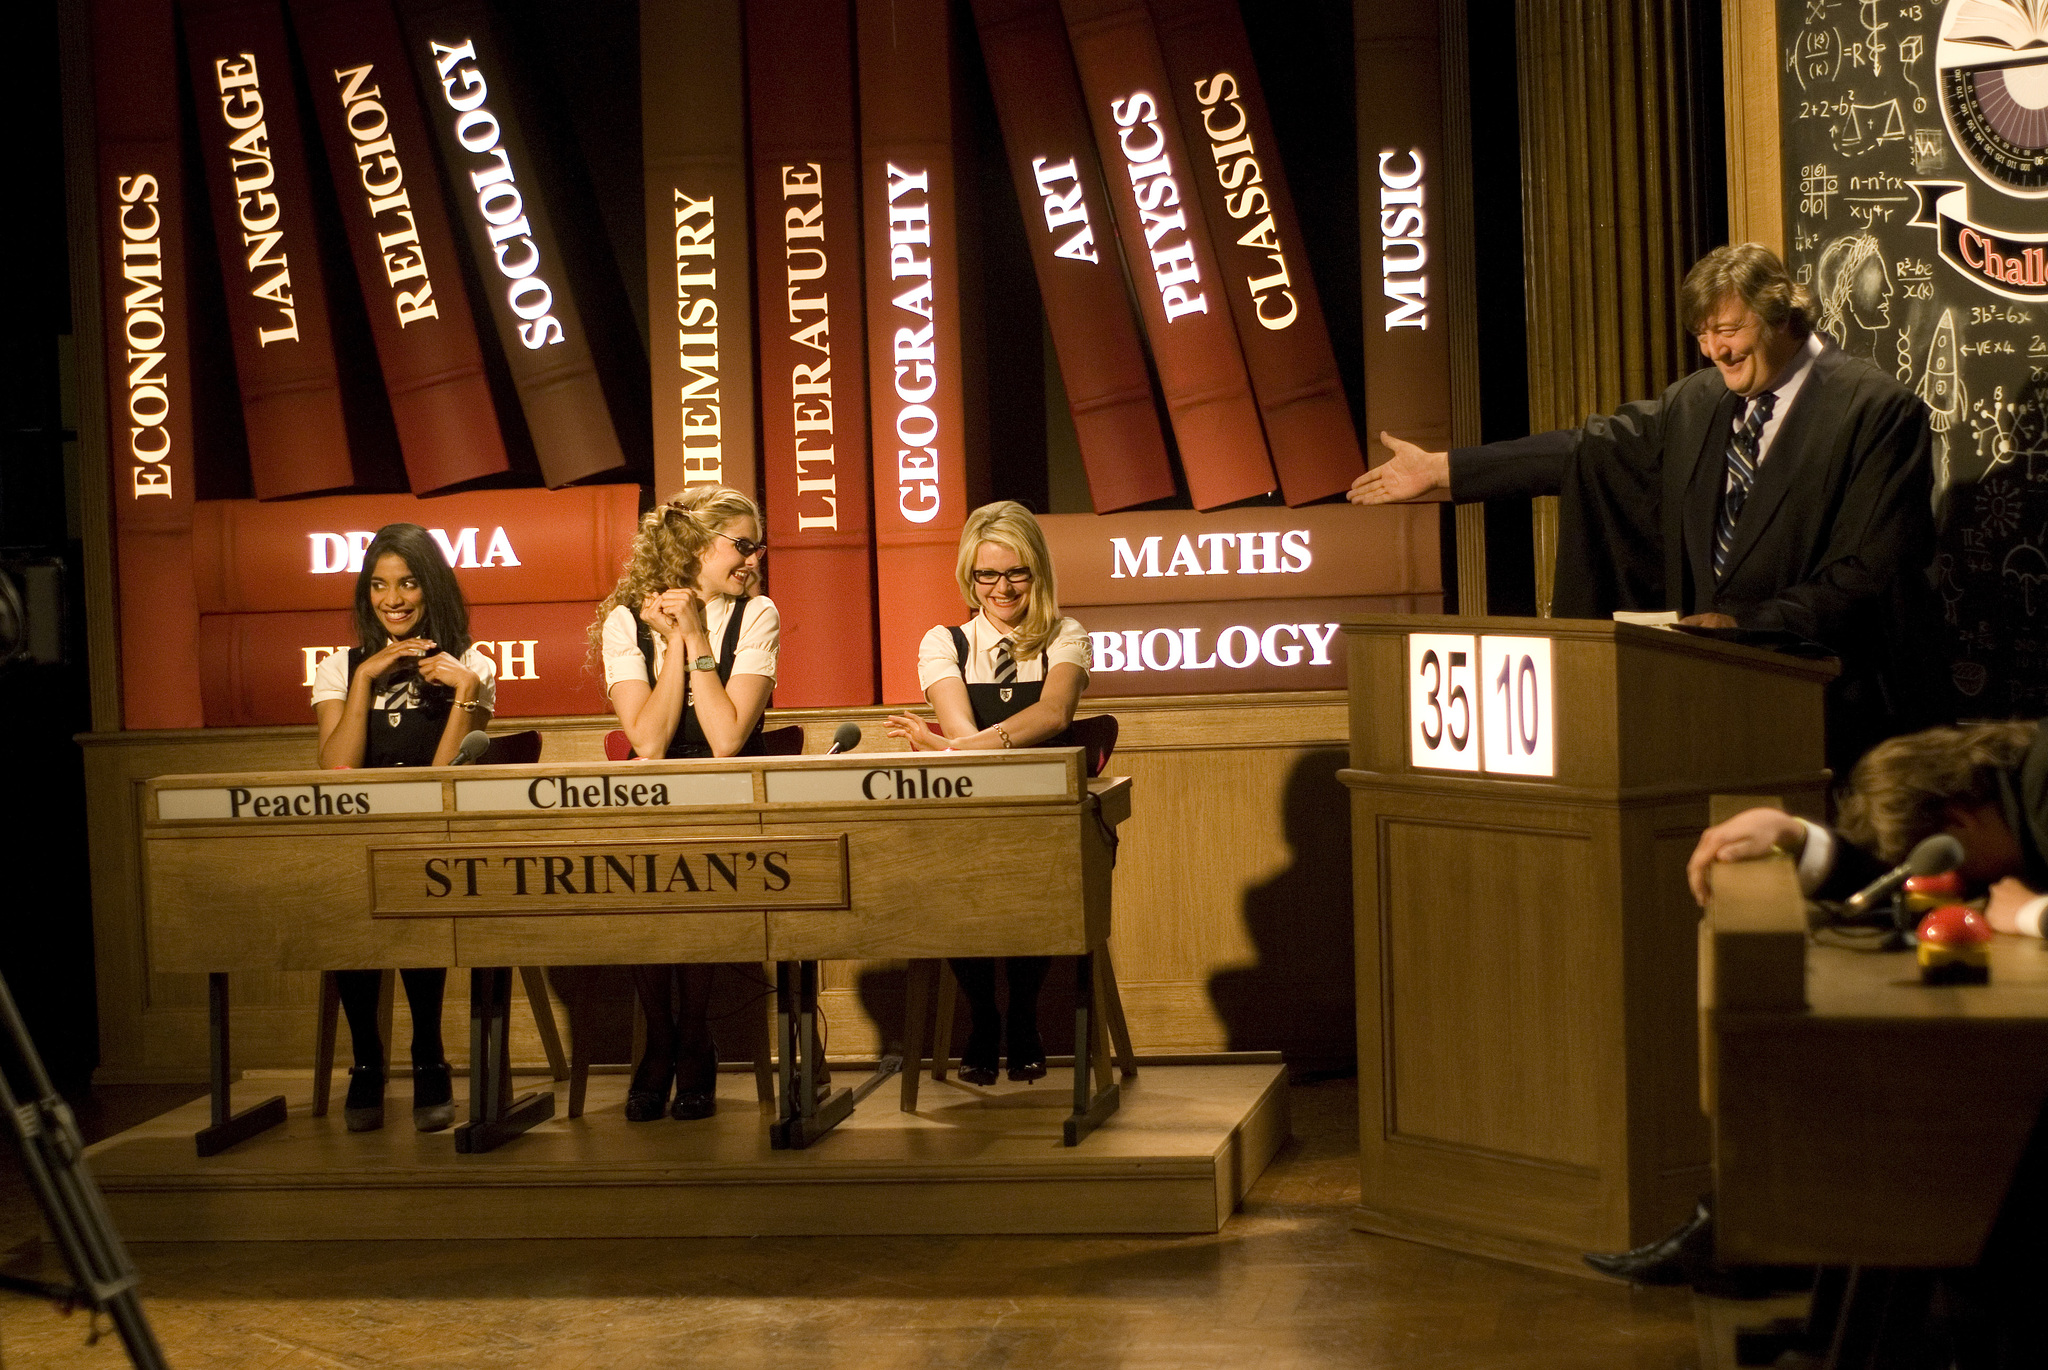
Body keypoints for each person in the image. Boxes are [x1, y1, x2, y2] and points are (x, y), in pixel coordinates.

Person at [1350, 242, 1942, 779]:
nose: (1716, 351)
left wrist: (1746, 623)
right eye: (1704, 336)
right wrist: (1445, 470)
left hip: (1829, 713)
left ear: (1784, 315)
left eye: (1729, 330)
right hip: (1702, 710)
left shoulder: (1876, 412)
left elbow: (1873, 571)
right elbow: (1587, 451)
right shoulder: (1697, 401)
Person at [885, 501, 1092, 1084]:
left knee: (1037, 882)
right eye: (986, 576)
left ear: (1037, 571)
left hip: (1042, 812)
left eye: (1016, 573)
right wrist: (953, 746)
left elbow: (1052, 715)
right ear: (968, 577)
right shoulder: (944, 640)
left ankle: (1023, 1015)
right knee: (954, 887)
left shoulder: (1064, 636)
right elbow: (959, 730)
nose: (1001, 588)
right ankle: (982, 1017)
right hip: (968, 809)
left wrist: (947, 749)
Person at [591, 486, 777, 1121]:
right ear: (696, 547)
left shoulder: (757, 615)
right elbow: (646, 741)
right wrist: (671, 644)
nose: (754, 560)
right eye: (743, 546)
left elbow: (725, 740)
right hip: (651, 802)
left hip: (726, 802)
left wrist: (694, 632)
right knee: (643, 885)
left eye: (757, 547)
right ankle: (663, 1041)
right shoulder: (626, 620)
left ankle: (692, 1036)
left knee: (695, 883)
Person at [311, 523, 495, 1132]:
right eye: (380, 585)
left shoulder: (472, 665)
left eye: (408, 583)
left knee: (414, 890)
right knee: (349, 901)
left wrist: (466, 691)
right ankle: (366, 1061)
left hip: (432, 834)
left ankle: (427, 1057)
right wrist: (365, 679)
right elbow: (337, 767)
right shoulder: (341, 667)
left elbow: (445, 777)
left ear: (431, 588)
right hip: (357, 829)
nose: (393, 599)